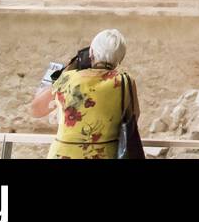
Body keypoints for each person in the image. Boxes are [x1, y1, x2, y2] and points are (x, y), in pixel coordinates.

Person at [29, 28, 139, 158]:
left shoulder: (67, 78)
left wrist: (69, 67)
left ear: (91, 52)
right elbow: (133, 117)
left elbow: (35, 110)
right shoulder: (125, 81)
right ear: (121, 57)